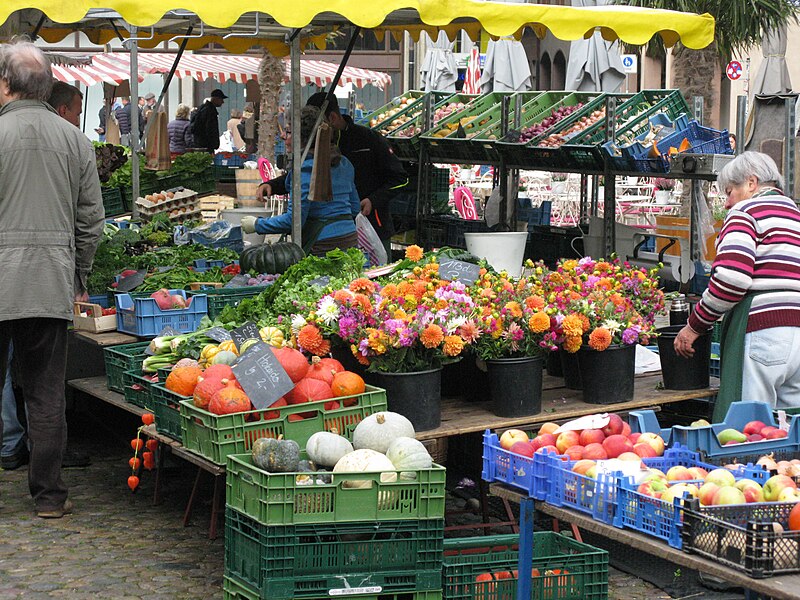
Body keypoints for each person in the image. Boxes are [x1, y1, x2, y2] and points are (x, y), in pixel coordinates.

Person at [0, 41, 105, 517]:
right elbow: (92, 222)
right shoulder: (74, 141)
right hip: (49, 280)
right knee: (45, 392)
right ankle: (48, 497)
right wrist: (77, 272)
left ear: (5, 84)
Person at [674, 151, 800, 420]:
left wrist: (694, 326)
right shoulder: (795, 215)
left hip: (763, 330)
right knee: (788, 422)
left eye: (730, 191)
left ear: (751, 183)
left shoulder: (745, 212)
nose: (728, 202)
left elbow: (731, 281)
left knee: (747, 424)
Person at [258, 93, 408, 258]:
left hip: (372, 226)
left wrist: (373, 200)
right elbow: (305, 180)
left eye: (289, 132)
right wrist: (273, 185)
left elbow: (400, 178)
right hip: (349, 235)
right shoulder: (341, 163)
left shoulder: (368, 139)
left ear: (331, 118)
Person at [240, 105, 361, 256]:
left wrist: (257, 224)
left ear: (303, 138)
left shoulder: (306, 170)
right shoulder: (344, 163)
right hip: (349, 239)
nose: (283, 135)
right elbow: (355, 208)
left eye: (289, 131)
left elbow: (293, 220)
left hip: (324, 245)